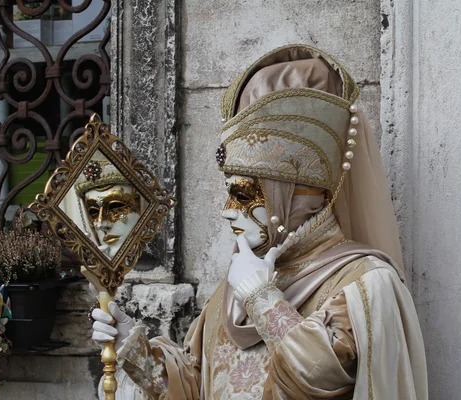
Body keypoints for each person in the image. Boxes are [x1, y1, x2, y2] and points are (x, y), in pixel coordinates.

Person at [91, 44, 428, 399]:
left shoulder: (364, 284)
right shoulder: (235, 285)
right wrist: (133, 347)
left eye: (244, 193)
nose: (227, 210)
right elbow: (195, 387)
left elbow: (323, 376)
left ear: (296, 195)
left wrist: (262, 298)